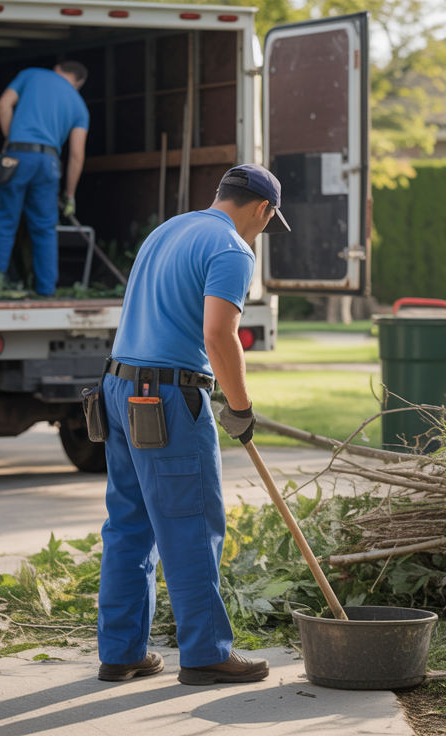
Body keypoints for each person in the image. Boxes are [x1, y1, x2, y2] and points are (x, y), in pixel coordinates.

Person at [95, 165, 290, 685]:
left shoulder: (168, 230)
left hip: (117, 386)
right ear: (262, 210)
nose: (261, 233)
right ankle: (205, 654)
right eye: (268, 223)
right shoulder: (231, 249)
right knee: (190, 524)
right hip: (167, 397)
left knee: (128, 523)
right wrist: (241, 408)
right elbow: (219, 336)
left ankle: (120, 652)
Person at [0, 61, 90, 296]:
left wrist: (10, 140)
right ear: (78, 83)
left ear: (57, 69)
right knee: (44, 228)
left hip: (18, 155)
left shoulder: (31, 74)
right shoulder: (79, 105)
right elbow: (76, 155)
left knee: (3, 222)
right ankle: (46, 291)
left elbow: (3, 105)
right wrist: (69, 194)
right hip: (49, 162)